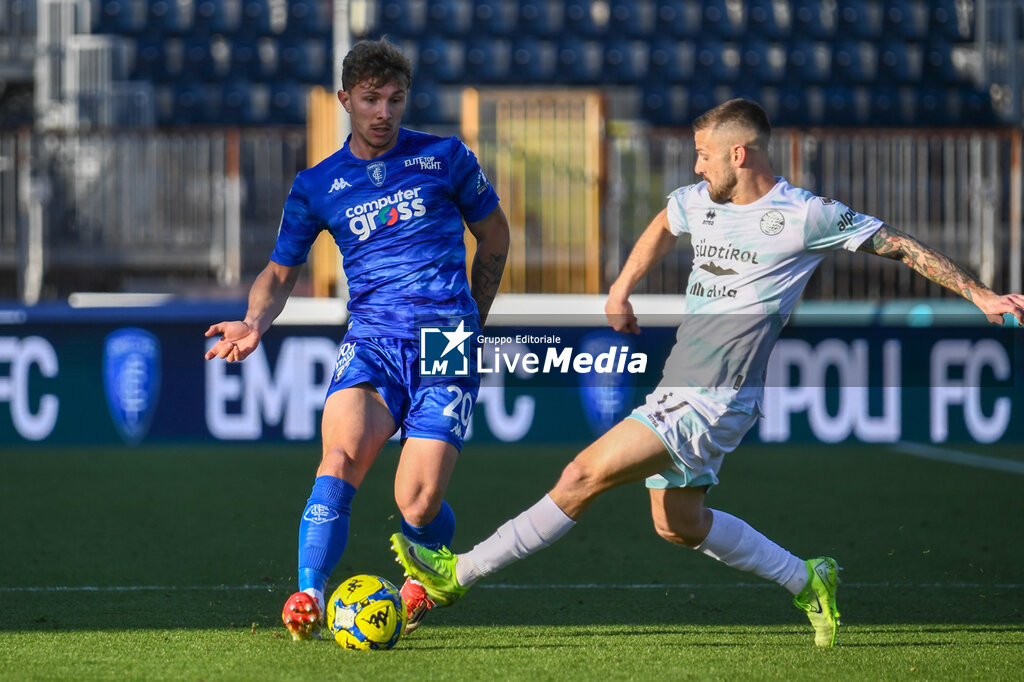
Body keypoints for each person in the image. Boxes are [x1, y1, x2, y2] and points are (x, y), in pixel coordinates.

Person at [391, 98, 1024, 647]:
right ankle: (808, 578)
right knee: (678, 524)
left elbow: (900, 245)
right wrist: (622, 287)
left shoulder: (804, 216)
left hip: (715, 398)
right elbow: (667, 221)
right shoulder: (702, 201)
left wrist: (981, 296)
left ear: (740, 154)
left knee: (581, 474)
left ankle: (456, 577)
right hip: (681, 388)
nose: (697, 166)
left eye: (703, 154)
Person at [204, 38, 510, 639]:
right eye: (371, 99)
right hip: (372, 340)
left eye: (396, 99)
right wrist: (254, 322)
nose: (384, 112)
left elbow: (495, 237)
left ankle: (427, 573)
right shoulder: (318, 185)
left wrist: (474, 319)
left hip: (445, 342)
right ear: (345, 99)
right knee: (339, 457)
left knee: (416, 505)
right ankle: (309, 596)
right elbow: (279, 273)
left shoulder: (445, 157)